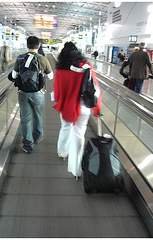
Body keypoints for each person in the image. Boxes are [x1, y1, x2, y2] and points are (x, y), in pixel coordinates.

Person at [53, 42, 102, 180]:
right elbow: (95, 90)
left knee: (65, 128)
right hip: (84, 107)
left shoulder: (60, 70)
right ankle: (76, 166)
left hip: (67, 106)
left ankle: (63, 152)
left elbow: (57, 93)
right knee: (79, 134)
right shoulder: (87, 68)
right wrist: (97, 109)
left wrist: (59, 100)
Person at [11, 36, 53, 153]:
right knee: (37, 116)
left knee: (25, 119)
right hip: (38, 93)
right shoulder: (43, 59)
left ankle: (28, 145)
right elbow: (50, 76)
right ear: (38, 46)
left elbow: (14, 76)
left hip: (23, 93)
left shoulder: (20, 58)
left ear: (27, 45)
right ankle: (37, 137)